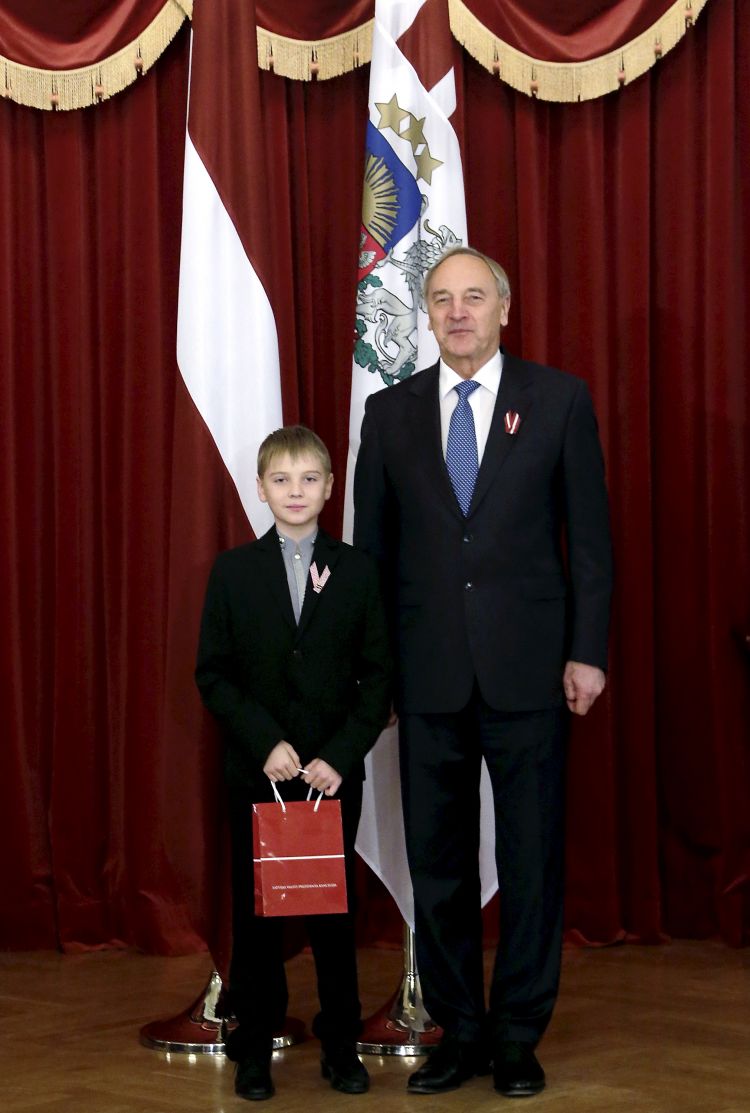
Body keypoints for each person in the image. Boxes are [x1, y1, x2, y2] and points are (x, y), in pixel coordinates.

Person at [353, 246, 612, 1098]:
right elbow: (371, 556)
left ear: (504, 308)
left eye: (473, 297)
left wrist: (588, 650)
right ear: (427, 315)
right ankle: (460, 1031)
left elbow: (590, 540)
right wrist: (376, 674)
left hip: (531, 670)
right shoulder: (388, 414)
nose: (457, 312)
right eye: (441, 299)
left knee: (532, 858)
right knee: (440, 863)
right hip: (426, 674)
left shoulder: (559, 399)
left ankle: (517, 1036)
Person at [196, 425, 391, 1101]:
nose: (296, 491)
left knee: (334, 917)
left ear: (330, 487)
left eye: (309, 479)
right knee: (257, 920)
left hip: (330, 779)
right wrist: (264, 743)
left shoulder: (359, 571)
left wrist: (340, 754)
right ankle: (253, 1046)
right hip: (260, 774)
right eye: (282, 479)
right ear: (261, 488)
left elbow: (379, 677)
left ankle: (341, 1046)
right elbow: (214, 674)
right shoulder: (232, 572)